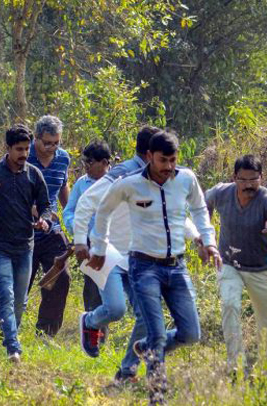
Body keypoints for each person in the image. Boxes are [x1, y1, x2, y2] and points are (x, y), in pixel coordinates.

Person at [88, 131, 220, 396]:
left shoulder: (186, 179)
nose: (169, 167)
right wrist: (99, 248)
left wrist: (208, 241)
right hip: (143, 267)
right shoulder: (129, 184)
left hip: (177, 267)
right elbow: (102, 211)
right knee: (157, 334)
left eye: (173, 160)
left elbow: (198, 210)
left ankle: (146, 347)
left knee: (191, 333)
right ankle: (157, 395)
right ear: (149, 157)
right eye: (163, 160)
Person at [0, 124, 51, 362]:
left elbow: (46, 205)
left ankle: (5, 333)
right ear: (8, 148)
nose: (23, 154)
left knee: (20, 300)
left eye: (26, 149)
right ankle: (13, 347)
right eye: (19, 149)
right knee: (6, 294)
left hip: (25, 245)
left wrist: (44, 221)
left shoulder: (33, 174)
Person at [205, 155, 267, 371]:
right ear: (234, 178)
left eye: (254, 179)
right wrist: (204, 236)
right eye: (243, 180)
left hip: (261, 268)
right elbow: (200, 204)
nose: (249, 185)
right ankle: (236, 365)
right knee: (229, 305)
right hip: (228, 262)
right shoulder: (221, 192)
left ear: (261, 178)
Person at [26, 115, 72, 337]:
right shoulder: (23, 157)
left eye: (57, 143)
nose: (52, 148)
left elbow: (63, 188)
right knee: (21, 281)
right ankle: (7, 330)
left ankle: (46, 333)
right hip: (25, 231)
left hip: (52, 231)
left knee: (60, 278)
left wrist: (71, 214)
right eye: (47, 143)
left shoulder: (63, 158)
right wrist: (33, 209)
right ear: (36, 139)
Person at [62, 140, 111, 323]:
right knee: (92, 289)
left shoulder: (119, 182)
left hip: (114, 243)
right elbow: (69, 212)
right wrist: (79, 230)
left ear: (105, 163)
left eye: (90, 163)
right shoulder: (82, 184)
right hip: (88, 246)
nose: (86, 167)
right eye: (85, 163)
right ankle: (93, 331)